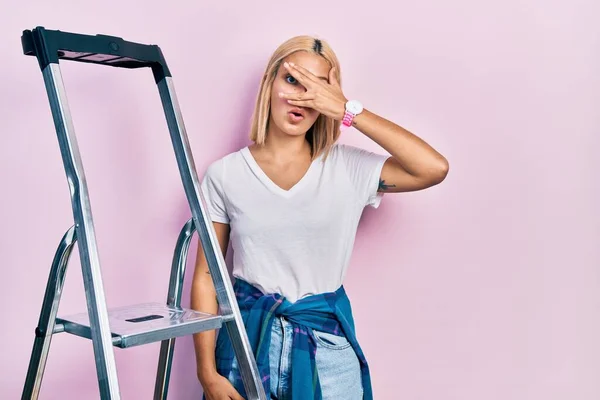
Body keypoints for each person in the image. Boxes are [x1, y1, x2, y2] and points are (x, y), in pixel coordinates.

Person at [191, 35, 449, 400]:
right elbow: (206, 276)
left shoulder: (346, 168)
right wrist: (207, 374)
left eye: (317, 87)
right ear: (270, 84)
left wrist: (349, 110)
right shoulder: (224, 174)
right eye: (292, 80)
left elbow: (433, 168)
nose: (301, 96)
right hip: (245, 346)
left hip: (326, 350)